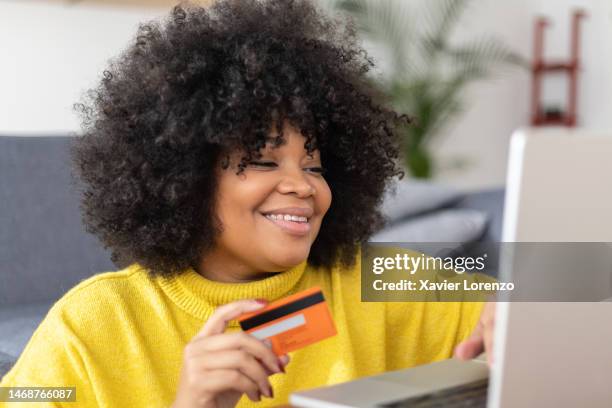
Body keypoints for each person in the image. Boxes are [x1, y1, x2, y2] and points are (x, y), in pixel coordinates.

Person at [0, 0, 494, 406]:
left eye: (315, 165)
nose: (303, 186)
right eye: (263, 161)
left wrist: (516, 304)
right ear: (185, 175)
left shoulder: (381, 282)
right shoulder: (93, 323)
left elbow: (567, 278)